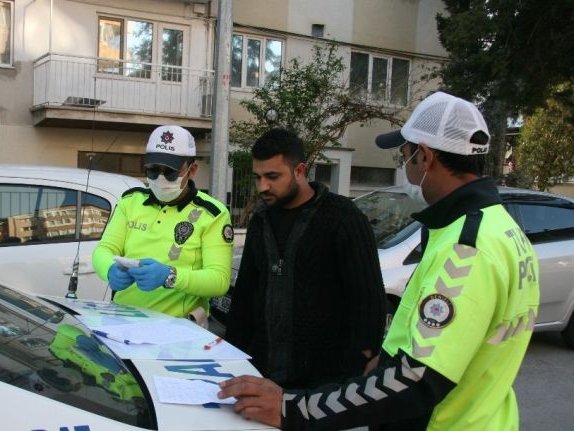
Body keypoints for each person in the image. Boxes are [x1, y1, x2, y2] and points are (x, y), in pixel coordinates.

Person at [218, 92, 540, 430]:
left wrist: (292, 409)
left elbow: (415, 380)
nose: (405, 167)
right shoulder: (502, 230)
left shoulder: (467, 248)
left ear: (425, 156)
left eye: (405, 156)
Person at [224, 128, 387, 389]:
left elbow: (367, 299)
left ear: (299, 171)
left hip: (325, 383)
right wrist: (232, 356)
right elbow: (245, 295)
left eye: (272, 176)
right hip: (261, 373)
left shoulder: (343, 218)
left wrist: (358, 360)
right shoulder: (260, 220)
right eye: (258, 177)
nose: (262, 186)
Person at [92, 125, 233, 318]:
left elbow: (219, 281)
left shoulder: (212, 214)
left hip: (178, 329)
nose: (161, 178)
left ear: (192, 170)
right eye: (152, 170)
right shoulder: (130, 202)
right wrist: (109, 270)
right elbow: (104, 249)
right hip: (122, 320)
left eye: (170, 172)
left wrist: (170, 276)